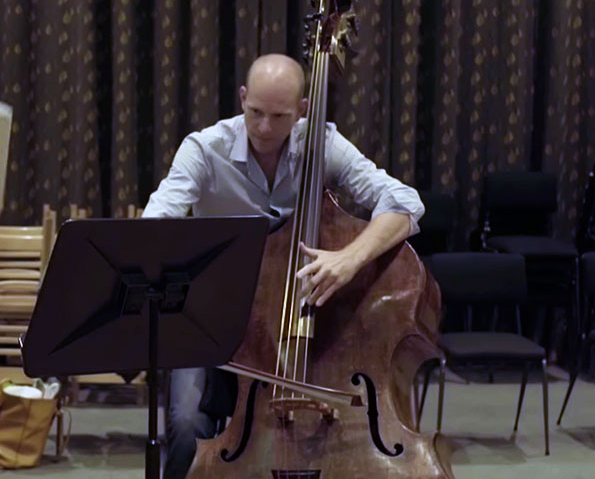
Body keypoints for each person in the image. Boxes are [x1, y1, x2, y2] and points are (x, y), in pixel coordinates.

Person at [143, 53, 425, 479]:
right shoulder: (204, 149)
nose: (263, 128)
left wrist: (349, 259)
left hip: (293, 318)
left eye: (279, 117)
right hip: (212, 315)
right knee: (186, 425)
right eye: (255, 112)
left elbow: (405, 202)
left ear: (303, 111)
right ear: (242, 98)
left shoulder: (323, 145)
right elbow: (157, 222)